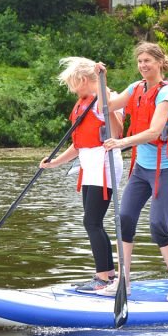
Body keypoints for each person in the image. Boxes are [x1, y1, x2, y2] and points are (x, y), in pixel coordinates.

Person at [97, 43, 168, 302]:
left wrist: (121, 143)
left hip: (166, 167)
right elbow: (108, 104)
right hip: (141, 168)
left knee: (158, 225)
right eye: (140, 61)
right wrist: (100, 79)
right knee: (124, 219)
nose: (143, 65)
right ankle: (124, 281)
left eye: (148, 60)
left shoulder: (166, 93)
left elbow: (155, 132)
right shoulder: (136, 88)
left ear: (159, 62)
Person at [40, 57, 124, 293]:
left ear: (85, 80)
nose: (72, 89)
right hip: (90, 166)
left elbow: (117, 131)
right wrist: (54, 162)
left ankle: (103, 278)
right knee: (92, 222)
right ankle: (106, 274)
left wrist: (102, 86)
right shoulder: (83, 103)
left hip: (105, 164)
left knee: (91, 221)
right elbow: (78, 145)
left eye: (74, 84)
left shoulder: (103, 100)